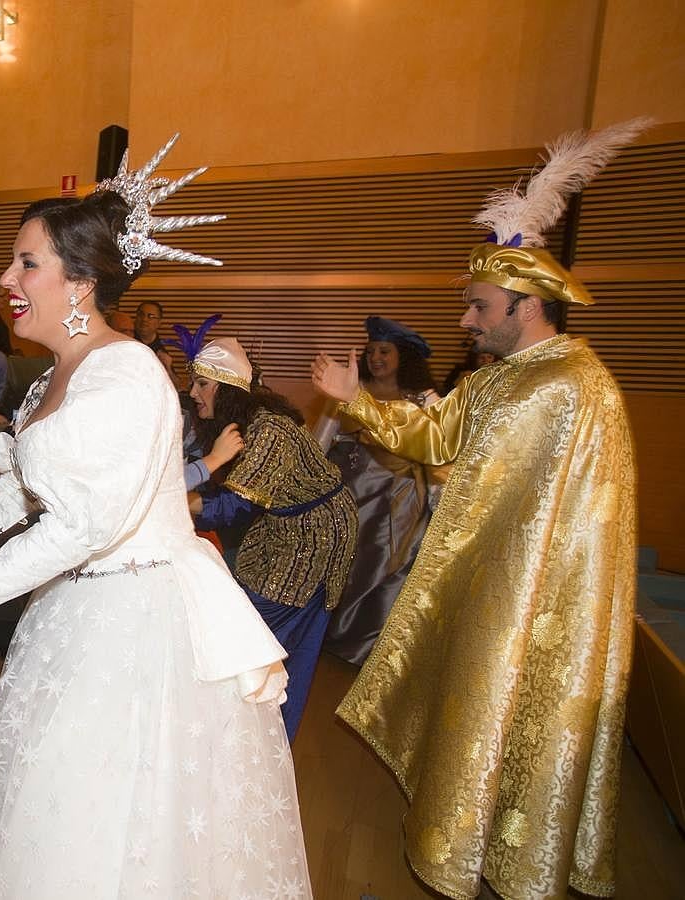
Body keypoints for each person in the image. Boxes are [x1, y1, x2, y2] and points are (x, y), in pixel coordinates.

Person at [0, 136, 309, 895]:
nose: (5, 279)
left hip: (138, 623)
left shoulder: (127, 374)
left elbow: (82, 527)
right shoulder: (50, 381)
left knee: (123, 824)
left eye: (24, 264)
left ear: (78, 283)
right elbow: (20, 492)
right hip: (73, 613)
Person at [310, 119, 647, 900]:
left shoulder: (569, 384)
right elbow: (437, 434)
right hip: (497, 589)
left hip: (537, 607)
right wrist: (358, 401)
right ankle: (476, 849)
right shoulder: (502, 378)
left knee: (513, 728)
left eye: (478, 306)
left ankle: (512, 866)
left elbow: (491, 485)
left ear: (527, 307)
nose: (464, 321)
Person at [187, 337, 357, 741]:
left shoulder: (269, 431)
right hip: (286, 528)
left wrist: (174, 499)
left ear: (225, 389)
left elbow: (230, 509)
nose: (192, 393)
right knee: (264, 628)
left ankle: (257, 740)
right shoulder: (246, 423)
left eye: (201, 384)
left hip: (313, 538)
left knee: (264, 640)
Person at [320, 316, 441, 666]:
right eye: (371, 351)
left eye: (384, 351)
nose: (376, 358)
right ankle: (330, 636)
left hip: (396, 500)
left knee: (382, 567)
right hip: (348, 492)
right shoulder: (352, 389)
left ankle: (367, 647)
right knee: (342, 564)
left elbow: (440, 452)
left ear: (403, 356)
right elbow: (324, 437)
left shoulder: (424, 398)